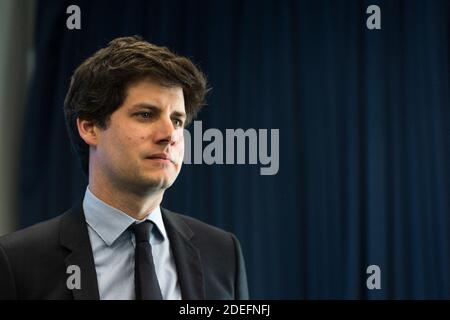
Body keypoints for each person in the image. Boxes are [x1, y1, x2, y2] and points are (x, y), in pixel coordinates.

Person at [0, 36, 249, 300]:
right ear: (90, 127)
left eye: (177, 120)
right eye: (145, 114)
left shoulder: (223, 254)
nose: (170, 134)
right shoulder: (18, 263)